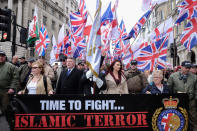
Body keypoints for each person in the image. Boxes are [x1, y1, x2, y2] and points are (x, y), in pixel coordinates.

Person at [167, 61, 197, 131]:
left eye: (189, 68)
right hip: (177, 102)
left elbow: (196, 89)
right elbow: (169, 89)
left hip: (191, 102)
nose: (188, 69)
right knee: (178, 119)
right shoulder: (173, 76)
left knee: (194, 120)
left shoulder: (194, 77)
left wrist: (194, 99)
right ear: (181, 67)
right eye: (186, 67)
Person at [0, 50, 19, 130]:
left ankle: (11, 126)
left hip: (5, 91)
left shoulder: (10, 66)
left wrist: (12, 88)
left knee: (7, 110)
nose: (0, 57)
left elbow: (15, 78)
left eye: (2, 56)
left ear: (5, 57)